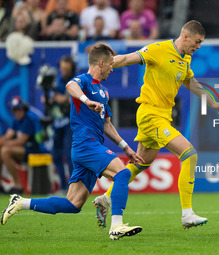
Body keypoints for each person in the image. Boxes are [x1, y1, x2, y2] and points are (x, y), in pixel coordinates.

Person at [1, 43, 144, 241]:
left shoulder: (103, 91)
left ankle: (20, 202)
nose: (113, 68)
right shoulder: (83, 81)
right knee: (123, 174)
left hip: (89, 146)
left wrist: (125, 148)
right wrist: (86, 101)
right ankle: (117, 225)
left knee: (73, 204)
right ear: (100, 63)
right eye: (111, 64)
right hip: (86, 144)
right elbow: (70, 86)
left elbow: (107, 124)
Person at [93, 20, 219, 229]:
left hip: (162, 115)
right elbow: (128, 58)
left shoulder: (185, 59)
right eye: (197, 42)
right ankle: (187, 214)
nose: (198, 46)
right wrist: (105, 64)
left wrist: (210, 101)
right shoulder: (159, 49)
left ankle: (106, 198)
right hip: (150, 114)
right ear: (186, 36)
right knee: (190, 155)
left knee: (141, 163)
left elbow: (190, 81)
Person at [0, 96, 45, 194]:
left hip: (35, 149)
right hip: (25, 148)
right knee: (2, 149)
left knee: (5, 151)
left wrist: (3, 142)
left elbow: (20, 141)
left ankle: (18, 186)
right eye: (14, 110)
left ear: (23, 109)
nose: (16, 112)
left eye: (18, 110)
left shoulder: (29, 118)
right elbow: (9, 134)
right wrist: (2, 141)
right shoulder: (17, 119)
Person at [50, 55, 75, 194]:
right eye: (62, 68)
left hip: (69, 123)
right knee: (56, 155)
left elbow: (75, 101)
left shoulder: (75, 81)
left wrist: (63, 99)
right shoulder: (56, 81)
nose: (64, 71)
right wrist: (49, 99)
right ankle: (62, 186)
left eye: (66, 69)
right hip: (56, 123)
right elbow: (49, 100)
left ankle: (72, 187)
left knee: (70, 155)